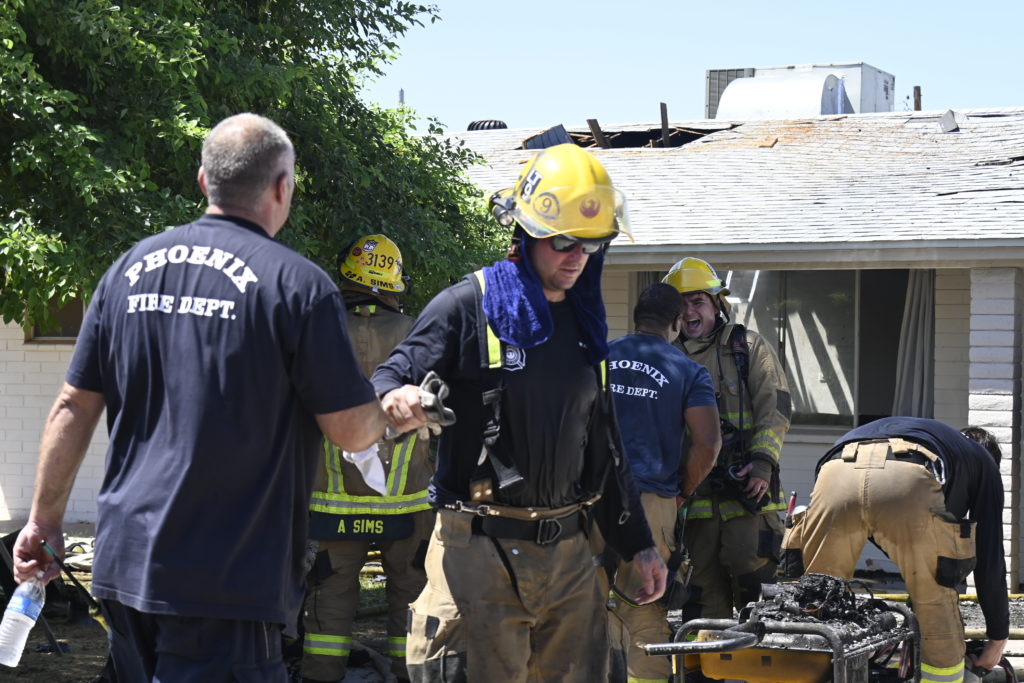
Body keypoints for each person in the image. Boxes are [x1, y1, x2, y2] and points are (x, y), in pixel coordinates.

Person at [11, 113, 405, 681]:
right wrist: (390, 411)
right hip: (228, 579)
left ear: (203, 181)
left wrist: (43, 522)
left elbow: (72, 407)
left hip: (126, 565)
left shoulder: (128, 271)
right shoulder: (297, 285)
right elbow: (350, 431)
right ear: (282, 187)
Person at [372, 143, 668, 682]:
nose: (577, 257)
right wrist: (399, 401)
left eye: (592, 244)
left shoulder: (586, 324)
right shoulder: (469, 306)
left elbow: (607, 449)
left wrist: (639, 545)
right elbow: (390, 378)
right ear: (526, 232)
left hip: (571, 559)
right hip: (477, 553)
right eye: (563, 242)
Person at [781, 417, 1009, 683]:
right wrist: (997, 638)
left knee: (820, 597)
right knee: (934, 605)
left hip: (835, 471)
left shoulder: (938, 440)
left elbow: (876, 520)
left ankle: (807, 672)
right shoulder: (983, 462)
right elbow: (990, 559)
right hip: (908, 478)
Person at [302, 235, 434, 683]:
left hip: (331, 504)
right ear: (394, 282)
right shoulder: (417, 334)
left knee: (329, 597)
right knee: (410, 595)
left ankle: (321, 676)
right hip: (407, 504)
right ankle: (407, 674)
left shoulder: (317, 330)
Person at [662, 257, 791, 623]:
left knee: (757, 589)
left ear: (717, 304)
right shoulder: (667, 358)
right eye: (681, 304)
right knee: (701, 598)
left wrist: (762, 463)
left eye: (697, 301)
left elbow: (776, 408)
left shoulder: (747, 347)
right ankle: (708, 660)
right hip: (694, 500)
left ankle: (758, 658)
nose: (689, 312)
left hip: (748, 491)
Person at [604, 282, 721, 683]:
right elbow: (708, 443)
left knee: (578, 601)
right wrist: (682, 492)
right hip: (650, 503)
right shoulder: (688, 370)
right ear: (676, 323)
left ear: (636, 318)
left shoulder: (599, 358)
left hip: (588, 498)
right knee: (643, 605)